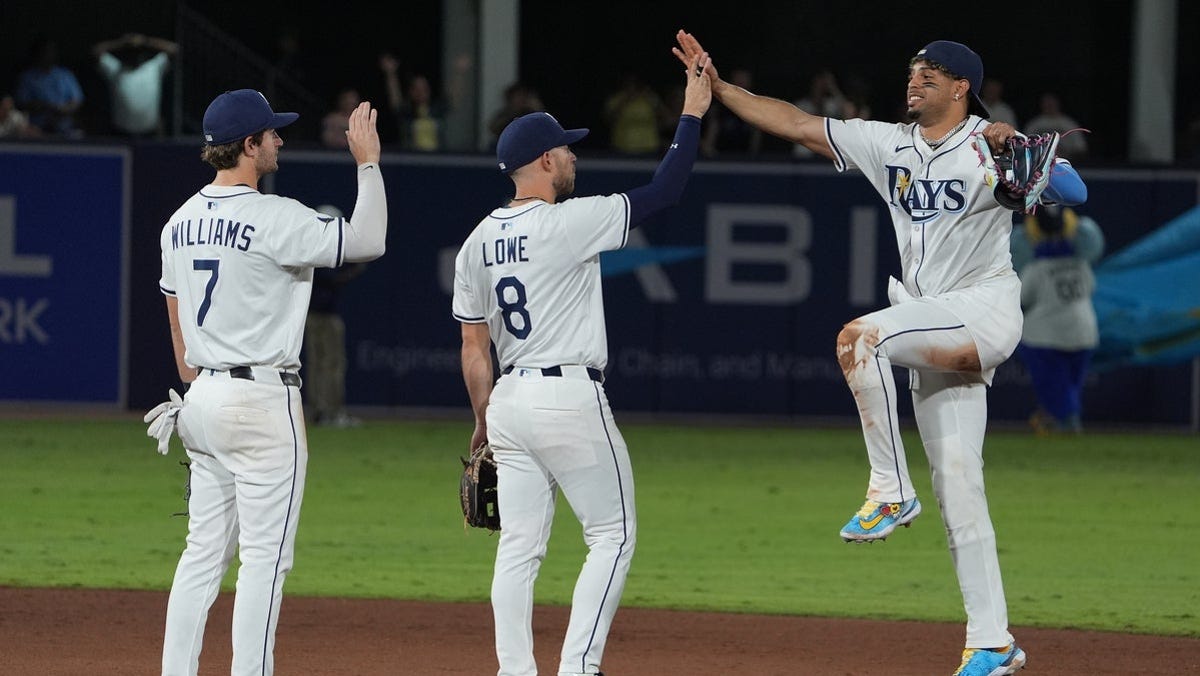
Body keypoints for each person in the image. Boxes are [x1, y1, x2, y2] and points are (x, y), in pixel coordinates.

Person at [673, 30, 1086, 676]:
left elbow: (1075, 193)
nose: (916, 78)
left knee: (858, 337)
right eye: (914, 69)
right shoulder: (885, 141)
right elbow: (797, 122)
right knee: (959, 484)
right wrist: (719, 89)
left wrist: (1023, 147)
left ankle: (890, 490)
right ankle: (992, 643)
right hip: (932, 326)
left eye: (933, 72)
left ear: (961, 88)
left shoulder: (985, 140)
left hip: (982, 310)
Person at [451, 50, 712, 676]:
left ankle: (515, 670)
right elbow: (667, 189)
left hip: (509, 402)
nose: (572, 156)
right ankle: (579, 669)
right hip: (567, 396)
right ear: (543, 161)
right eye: (565, 150)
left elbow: (473, 347)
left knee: (518, 549)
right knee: (613, 535)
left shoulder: (476, 242)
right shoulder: (567, 222)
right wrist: (692, 113)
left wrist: (484, 419)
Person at [147, 88, 387, 676]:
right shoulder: (275, 216)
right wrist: (369, 163)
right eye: (272, 133)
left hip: (199, 399)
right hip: (260, 401)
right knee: (263, 561)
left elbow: (177, 326)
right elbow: (368, 241)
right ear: (248, 145)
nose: (280, 140)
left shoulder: (177, 223)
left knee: (201, 556)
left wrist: (202, 386)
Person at [1009, 205, 1104, 435]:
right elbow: (1091, 288)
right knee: (1069, 385)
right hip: (1083, 333)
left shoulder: (1036, 267)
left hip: (1045, 336)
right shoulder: (1081, 263)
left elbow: (1021, 298)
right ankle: (1056, 418)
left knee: (1053, 384)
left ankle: (1067, 423)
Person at [304, 204, 368, 427]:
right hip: (323, 316)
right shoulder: (322, 249)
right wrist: (353, 270)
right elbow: (332, 278)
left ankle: (321, 411)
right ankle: (330, 412)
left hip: (313, 314)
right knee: (331, 364)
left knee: (319, 364)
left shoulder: (309, 245)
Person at [91, 32, 178, 139]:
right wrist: (122, 42)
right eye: (131, 51)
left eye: (137, 51)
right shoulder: (116, 68)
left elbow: (173, 48)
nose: (134, 55)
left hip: (150, 133)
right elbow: (96, 51)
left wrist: (146, 41)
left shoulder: (153, 67)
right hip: (121, 133)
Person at [379, 52, 470, 151]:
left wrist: (459, 74)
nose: (420, 92)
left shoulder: (437, 110)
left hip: (438, 158)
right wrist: (390, 74)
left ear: (429, 90)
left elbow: (454, 100)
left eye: (424, 89)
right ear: (410, 92)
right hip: (411, 158)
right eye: (416, 89)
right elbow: (395, 101)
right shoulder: (407, 111)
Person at [15, 36, 84, 138]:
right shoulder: (28, 77)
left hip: (64, 128)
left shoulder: (65, 75)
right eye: (45, 51)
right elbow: (22, 103)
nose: (48, 54)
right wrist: (44, 106)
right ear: (37, 53)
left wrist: (61, 109)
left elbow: (77, 101)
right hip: (37, 129)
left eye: (51, 51)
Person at [603, 71, 674, 154]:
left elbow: (667, 119)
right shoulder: (616, 100)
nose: (632, 87)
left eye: (635, 84)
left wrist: (652, 100)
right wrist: (626, 100)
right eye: (629, 84)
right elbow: (609, 120)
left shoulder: (650, 98)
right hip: (622, 146)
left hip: (649, 146)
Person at [702, 67, 763, 157]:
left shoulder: (757, 107)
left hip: (747, 160)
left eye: (744, 79)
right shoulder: (718, 107)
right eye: (738, 79)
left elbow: (757, 136)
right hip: (720, 158)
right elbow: (711, 135)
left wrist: (754, 157)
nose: (741, 83)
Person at [1025, 92, 1088, 160]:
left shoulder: (1069, 123)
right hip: (1039, 163)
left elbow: (1081, 148)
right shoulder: (1034, 124)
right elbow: (1024, 146)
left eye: (1052, 103)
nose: (1049, 105)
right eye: (1046, 103)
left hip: (1066, 162)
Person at [486, 81, 545, 150]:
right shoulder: (506, 113)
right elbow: (493, 128)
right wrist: (513, 111)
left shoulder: (536, 114)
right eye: (518, 96)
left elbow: (548, 129)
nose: (522, 99)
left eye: (525, 96)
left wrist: (537, 109)